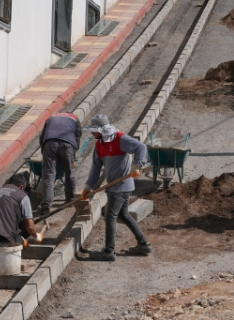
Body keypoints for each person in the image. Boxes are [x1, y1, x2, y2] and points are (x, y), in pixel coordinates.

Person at [82, 114, 153, 261]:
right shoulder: (99, 145)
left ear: (101, 130)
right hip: (116, 186)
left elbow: (141, 147)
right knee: (124, 215)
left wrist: (137, 165)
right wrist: (88, 186)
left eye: (94, 130)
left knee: (110, 217)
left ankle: (109, 251)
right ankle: (143, 244)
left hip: (120, 186)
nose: (92, 133)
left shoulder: (119, 138)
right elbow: (96, 167)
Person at [38, 112, 82, 215]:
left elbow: (42, 138)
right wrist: (73, 153)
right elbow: (77, 136)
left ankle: (46, 206)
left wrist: (45, 153)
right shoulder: (75, 118)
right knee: (70, 172)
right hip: (67, 144)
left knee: (49, 175)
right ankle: (70, 200)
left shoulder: (50, 118)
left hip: (49, 143)